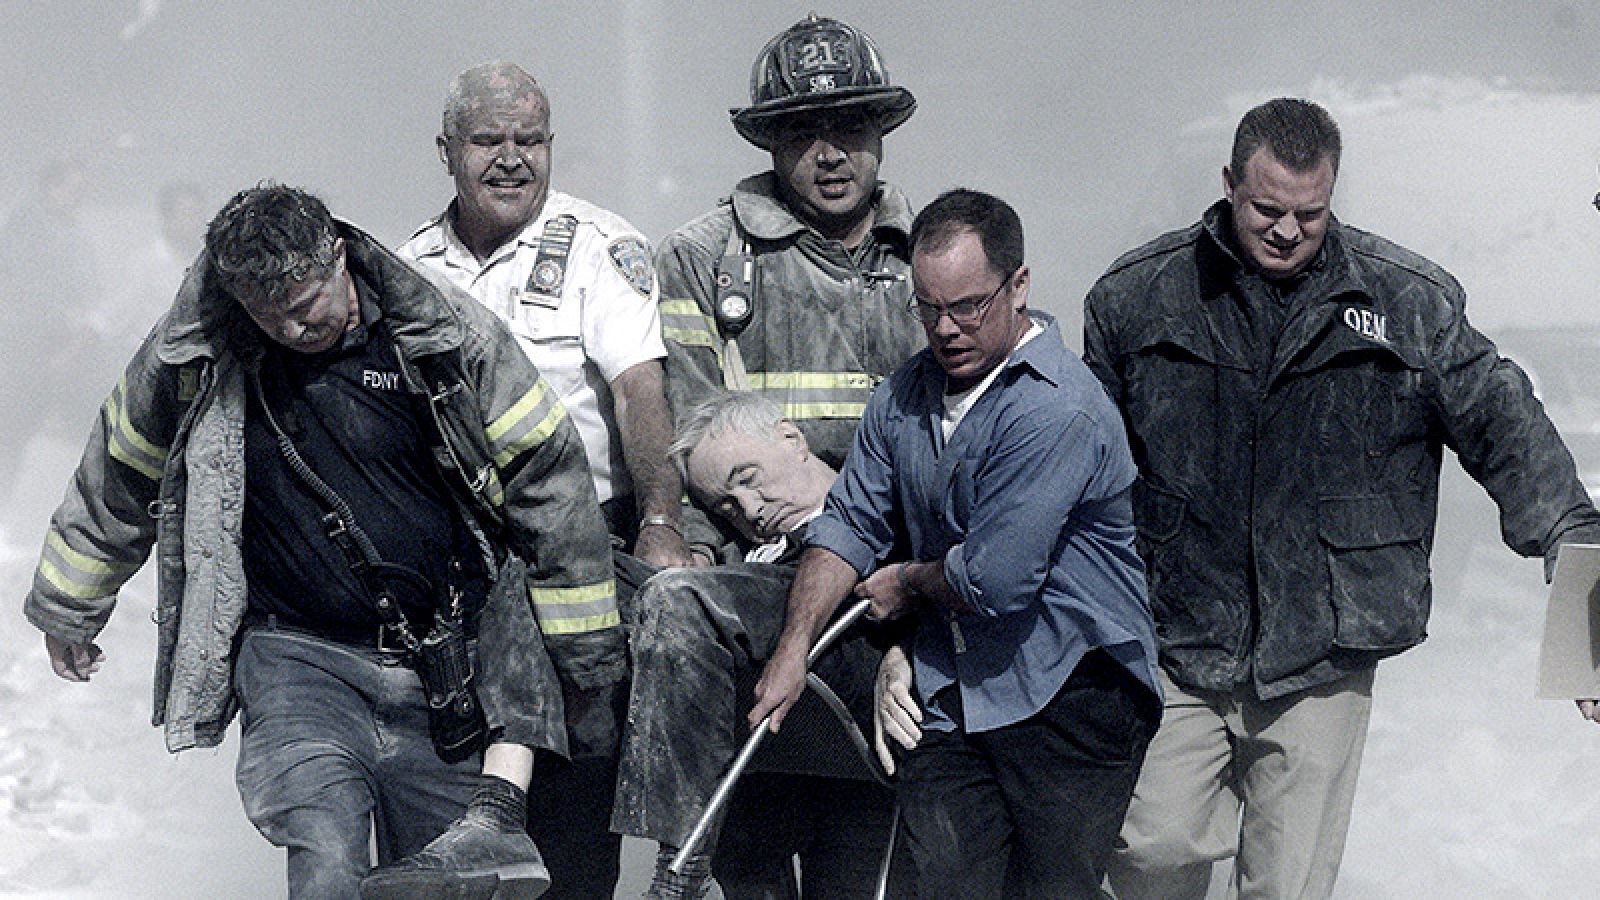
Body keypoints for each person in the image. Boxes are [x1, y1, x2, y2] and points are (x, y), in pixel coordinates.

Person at [23, 184, 624, 899]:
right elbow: (122, 467)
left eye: (306, 308)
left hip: (441, 668)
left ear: (338, 257)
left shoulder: (442, 335)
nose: (292, 332)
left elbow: (548, 476)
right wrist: (69, 605)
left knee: (438, 881)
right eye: (268, 317)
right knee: (326, 857)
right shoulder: (199, 351)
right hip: (294, 659)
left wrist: (585, 650)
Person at [1082, 98, 1600, 899]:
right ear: (1227, 184)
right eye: (1266, 210)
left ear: (1333, 197)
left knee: (1285, 887)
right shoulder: (1137, 299)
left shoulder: (1408, 304)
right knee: (1148, 846)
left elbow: (1504, 423)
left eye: (1310, 214)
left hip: (1323, 644)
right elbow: (1083, 463)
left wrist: (1569, 539)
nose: (1287, 231)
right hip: (1178, 636)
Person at [765, 188, 1163, 899]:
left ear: (1019, 286)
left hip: (1073, 692)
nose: (945, 329)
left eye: (968, 306)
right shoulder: (903, 395)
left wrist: (907, 583)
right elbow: (850, 523)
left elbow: (995, 579)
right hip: (954, 692)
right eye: (928, 309)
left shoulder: (1058, 407)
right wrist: (792, 652)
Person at [380, 60, 686, 899]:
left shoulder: (600, 248)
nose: (511, 159)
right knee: (436, 805)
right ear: (446, 151)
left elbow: (640, 392)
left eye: (530, 140)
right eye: (488, 141)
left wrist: (662, 521)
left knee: (572, 818)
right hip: (456, 565)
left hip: (586, 553)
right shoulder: (408, 270)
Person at [611, 389, 903, 899]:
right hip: (768, 751)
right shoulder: (741, 551)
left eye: (746, 478)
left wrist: (910, 652)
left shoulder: (878, 498)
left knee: (677, 596)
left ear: (790, 437)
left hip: (849, 661)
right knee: (603, 580)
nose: (747, 507)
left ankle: (678, 865)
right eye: (725, 504)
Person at [656, 12, 924, 478]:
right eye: (803, 133)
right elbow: (692, 437)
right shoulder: (700, 258)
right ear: (770, 142)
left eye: (850, 126)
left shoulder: (929, 254)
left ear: (881, 131)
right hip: (764, 533)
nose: (831, 155)